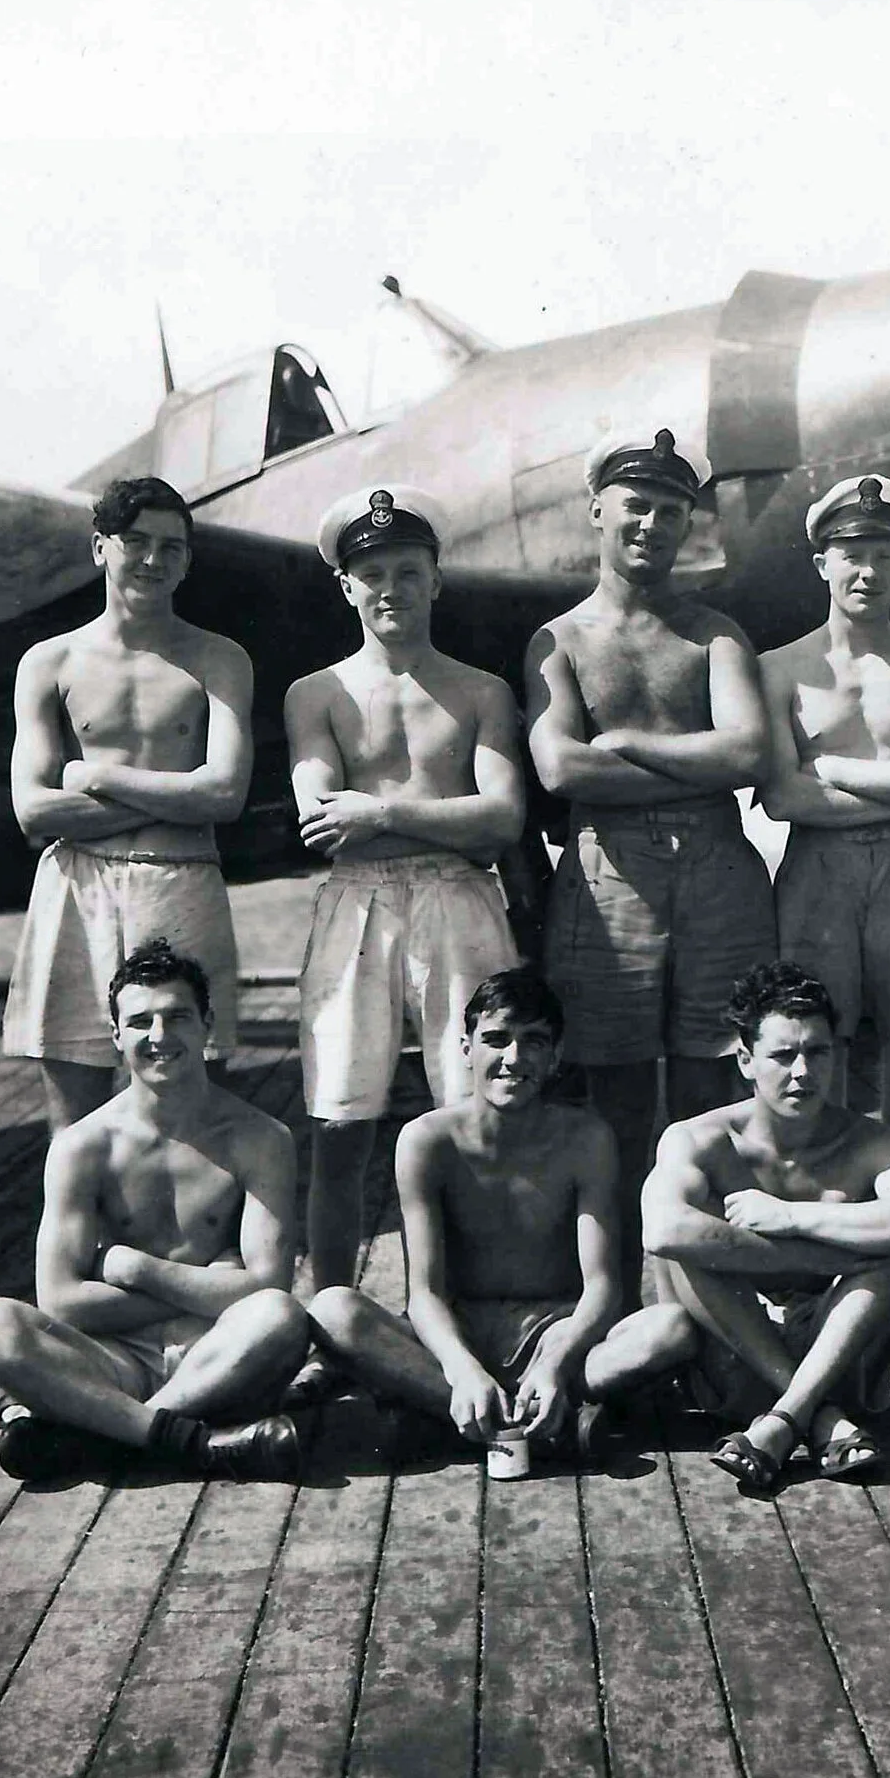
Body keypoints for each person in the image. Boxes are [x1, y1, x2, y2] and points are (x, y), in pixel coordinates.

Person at [524, 427, 775, 1226]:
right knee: (619, 1091)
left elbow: (748, 753)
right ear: (597, 509)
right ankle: (623, 1285)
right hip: (608, 880)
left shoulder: (716, 633)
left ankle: (710, 1278)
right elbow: (562, 770)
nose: (652, 525)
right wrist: (689, 759)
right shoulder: (556, 641)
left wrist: (629, 743)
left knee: (711, 1085)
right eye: (636, 505)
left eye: (672, 511)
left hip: (717, 872)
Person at [306, 970, 701, 1467]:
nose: (513, 1059)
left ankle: (464, 1419)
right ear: (466, 1047)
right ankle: (539, 1420)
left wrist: (556, 1363)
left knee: (672, 1327)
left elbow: (603, 1287)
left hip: (554, 1330)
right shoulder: (427, 1140)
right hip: (460, 1330)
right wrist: (461, 1369)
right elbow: (424, 1294)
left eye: (533, 1042)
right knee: (333, 1309)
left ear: (556, 1057)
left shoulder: (585, 1138)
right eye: (496, 1039)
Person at [286, 483, 527, 1291]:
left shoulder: (481, 691)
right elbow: (321, 822)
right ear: (345, 586)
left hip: (460, 904)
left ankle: (474, 1304)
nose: (391, 588)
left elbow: (500, 820)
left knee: (478, 1114)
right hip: (356, 906)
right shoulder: (315, 694)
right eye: (372, 572)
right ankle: (329, 1317)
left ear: (437, 579)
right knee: (339, 1119)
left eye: (408, 570)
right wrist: (433, 815)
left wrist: (381, 808)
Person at [0, 940, 310, 1481]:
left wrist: (135, 1269)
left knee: (280, 1319)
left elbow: (268, 1288)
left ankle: (102, 1431)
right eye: (141, 1021)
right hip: (111, 1359)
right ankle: (179, 1439)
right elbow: (60, 1302)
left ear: (207, 1025)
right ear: (116, 1034)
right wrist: (207, 1282)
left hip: (218, 1354)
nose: (159, 1037)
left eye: (177, 1017)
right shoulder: (83, 1146)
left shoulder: (261, 1138)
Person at [642, 961, 890, 1495]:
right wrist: (815, 1256)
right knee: (685, 1249)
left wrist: (792, 1217)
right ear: (745, 1060)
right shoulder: (699, 1139)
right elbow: (663, 1231)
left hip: (839, 1351)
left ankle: (783, 1420)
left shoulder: (872, 1141)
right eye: (783, 1056)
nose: (803, 1072)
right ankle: (815, 1416)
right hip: (736, 1349)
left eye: (818, 1052)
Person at [4, 477, 252, 1134]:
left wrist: (96, 774)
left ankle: (200, 1240)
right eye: (135, 541)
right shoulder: (47, 662)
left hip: (182, 882)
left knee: (193, 1105)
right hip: (77, 888)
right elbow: (33, 810)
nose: (152, 559)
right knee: (74, 1116)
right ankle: (78, 1241)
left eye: (172, 547)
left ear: (189, 560)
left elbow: (225, 794)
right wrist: (177, 795)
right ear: (99, 549)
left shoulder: (219, 659)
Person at [757, 473, 890, 1155]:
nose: (869, 570)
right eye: (852, 553)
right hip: (814, 877)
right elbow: (781, 798)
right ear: (823, 562)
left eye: (886, 553)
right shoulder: (778, 670)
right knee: (814, 1073)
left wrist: (832, 768)